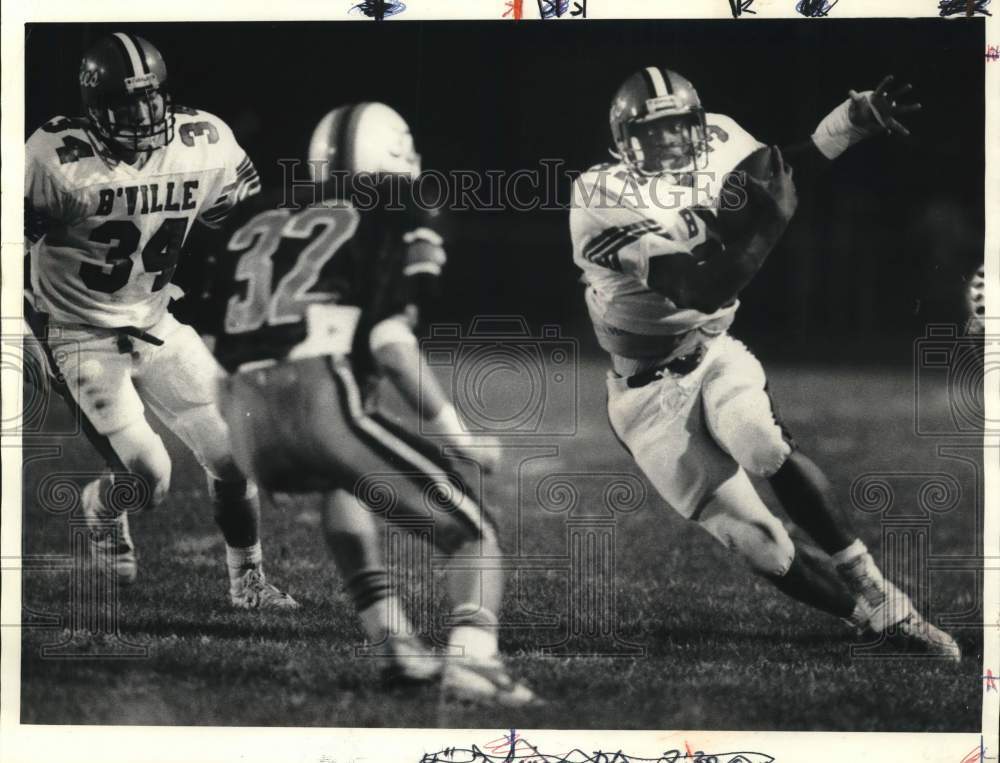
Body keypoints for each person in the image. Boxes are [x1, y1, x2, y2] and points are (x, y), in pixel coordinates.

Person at [570, 66, 960, 660]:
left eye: (680, 129)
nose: (672, 144)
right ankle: (870, 618)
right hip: (643, 396)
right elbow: (695, 287)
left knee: (758, 440)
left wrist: (848, 125)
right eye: (654, 134)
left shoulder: (723, 139)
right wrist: (768, 228)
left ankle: (879, 592)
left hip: (712, 353)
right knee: (759, 545)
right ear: (622, 142)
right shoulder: (601, 198)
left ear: (698, 126)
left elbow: (781, 168)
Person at [198, 102, 536, 703]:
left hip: (246, 413)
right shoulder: (399, 210)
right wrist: (459, 436)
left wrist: (253, 447)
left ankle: (393, 644)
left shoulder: (262, 216)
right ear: (398, 156)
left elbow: (215, 346)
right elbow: (390, 343)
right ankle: (475, 660)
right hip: (319, 399)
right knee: (475, 534)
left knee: (342, 485)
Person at [24, 32, 297, 609]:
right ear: (95, 109)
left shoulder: (204, 141)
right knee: (150, 477)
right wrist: (20, 331)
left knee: (231, 454)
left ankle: (248, 581)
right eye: (127, 103)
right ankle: (103, 506)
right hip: (79, 332)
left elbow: (238, 222)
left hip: (156, 319)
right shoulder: (54, 156)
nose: (143, 115)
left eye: (151, 99)